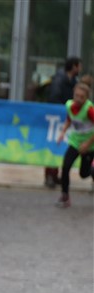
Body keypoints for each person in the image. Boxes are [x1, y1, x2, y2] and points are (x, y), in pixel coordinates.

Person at [54, 79, 94, 209]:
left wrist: (87, 144)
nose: (78, 99)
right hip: (75, 142)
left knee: (84, 173)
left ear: (86, 98)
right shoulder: (70, 105)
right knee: (66, 166)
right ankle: (65, 196)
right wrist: (62, 132)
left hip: (90, 145)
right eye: (76, 96)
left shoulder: (89, 109)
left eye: (82, 97)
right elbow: (69, 118)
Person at [44, 57, 83, 188]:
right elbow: (54, 97)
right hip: (57, 119)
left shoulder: (73, 81)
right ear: (74, 66)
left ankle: (56, 175)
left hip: (67, 119)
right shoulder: (59, 79)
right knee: (53, 144)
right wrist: (64, 109)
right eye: (79, 66)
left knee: (62, 146)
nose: (80, 69)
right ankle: (50, 174)